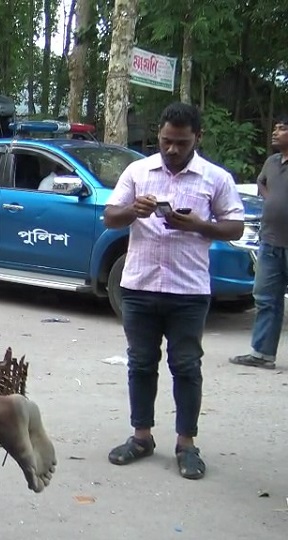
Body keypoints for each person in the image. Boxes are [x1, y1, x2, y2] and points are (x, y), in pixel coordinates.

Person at [103, 102, 245, 480]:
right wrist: (135, 210)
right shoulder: (137, 171)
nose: (171, 149)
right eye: (166, 141)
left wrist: (201, 225)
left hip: (188, 291)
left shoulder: (215, 178)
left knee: (186, 367)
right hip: (139, 286)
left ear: (197, 138)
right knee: (141, 363)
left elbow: (236, 228)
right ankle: (141, 437)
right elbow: (110, 217)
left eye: (181, 143)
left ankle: (186, 444)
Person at [229, 116, 288, 370]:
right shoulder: (272, 162)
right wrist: (272, 199)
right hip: (270, 241)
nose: (275, 132)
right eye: (274, 127)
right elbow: (261, 182)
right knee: (266, 297)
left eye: (282, 128)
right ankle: (262, 353)